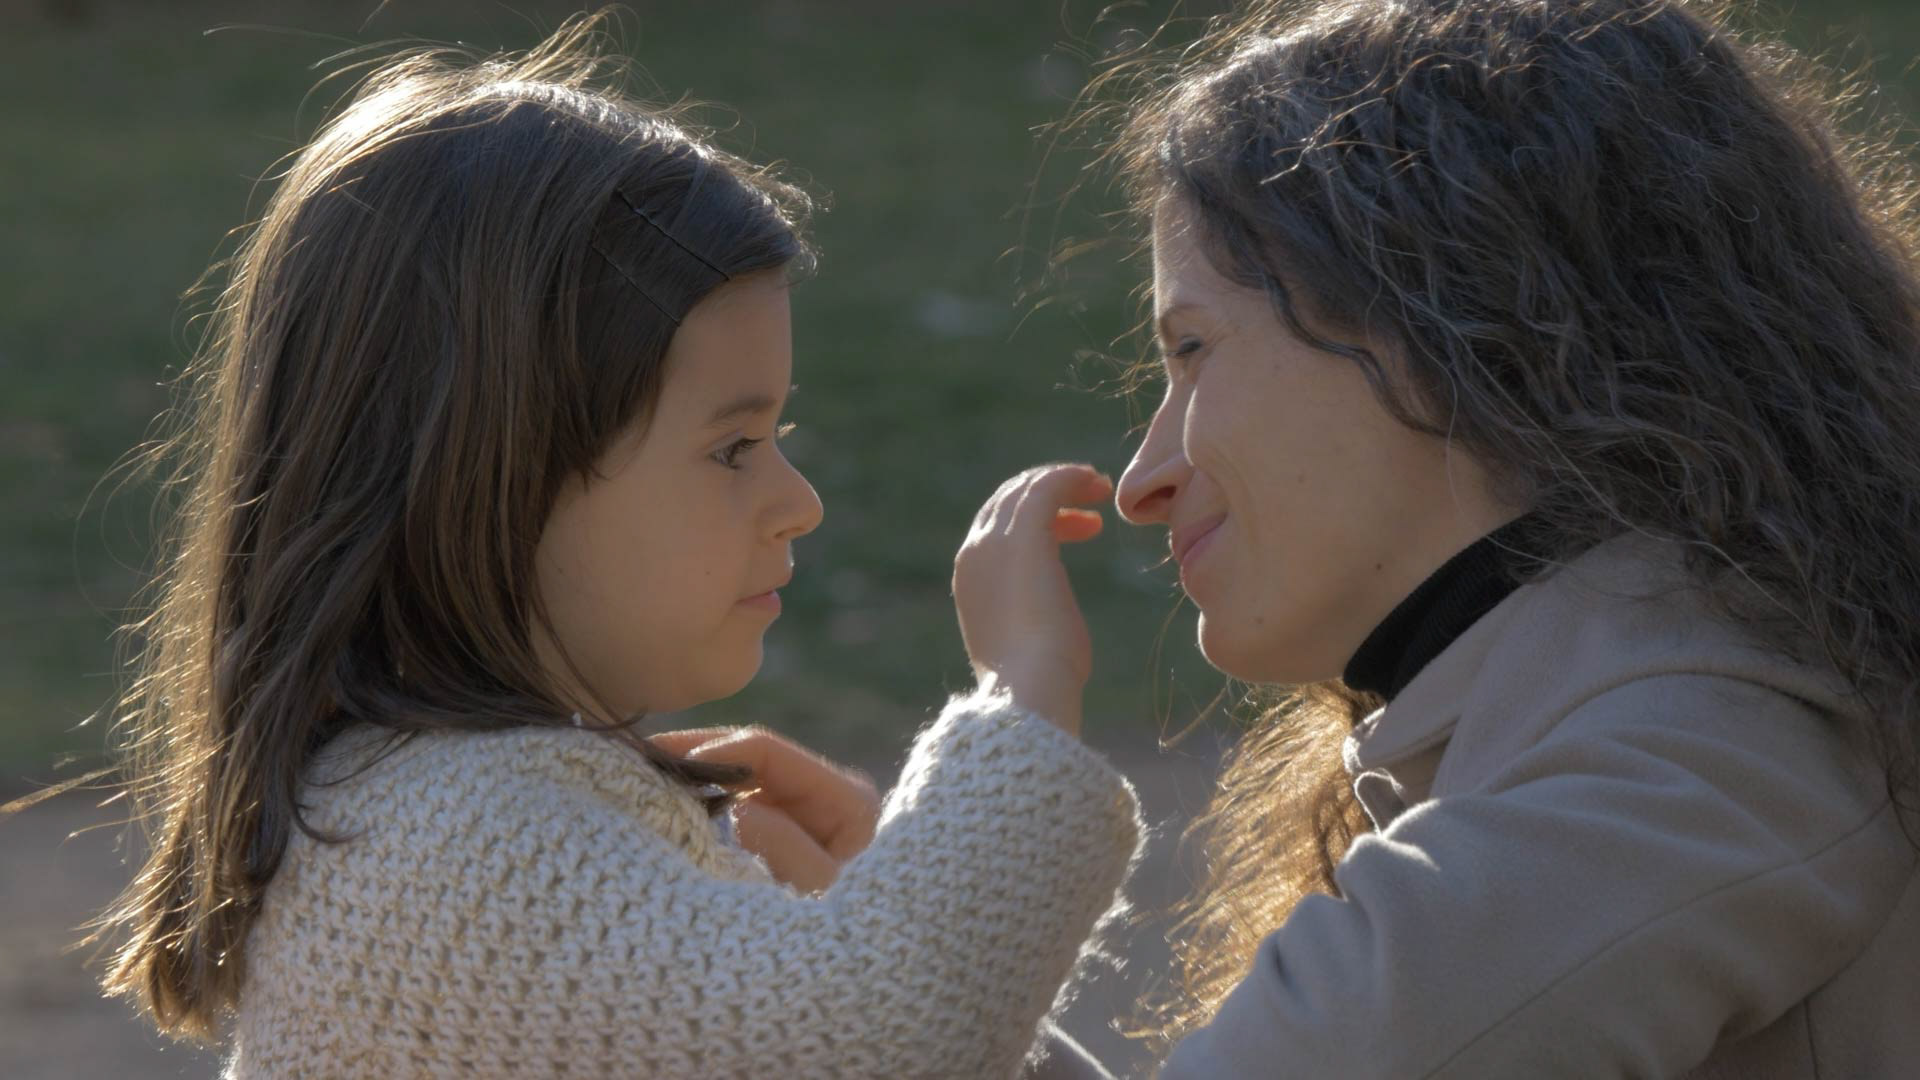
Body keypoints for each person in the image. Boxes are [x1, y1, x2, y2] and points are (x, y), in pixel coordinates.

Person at [762, 0, 1920, 1076]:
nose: (1147, 480)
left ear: (1451, 315)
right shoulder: (1669, 705)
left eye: (1193, 351)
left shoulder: (1676, 764)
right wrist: (916, 959)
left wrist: (999, 778)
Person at [89, 14, 1142, 1078]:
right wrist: (1025, 699)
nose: (800, 501)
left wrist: (858, 898)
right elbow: (889, 1041)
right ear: (492, 474)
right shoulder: (454, 850)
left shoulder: (442, 813)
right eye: (733, 446)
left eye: (781, 436)